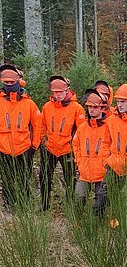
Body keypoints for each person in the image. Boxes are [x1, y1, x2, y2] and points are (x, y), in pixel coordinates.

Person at [40, 76, 85, 211]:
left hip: (68, 150)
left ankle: (70, 205)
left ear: (67, 91)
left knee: (69, 179)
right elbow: (41, 126)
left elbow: (82, 130)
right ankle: (44, 204)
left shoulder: (77, 108)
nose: (58, 95)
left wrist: (74, 147)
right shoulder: (47, 107)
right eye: (55, 92)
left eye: (60, 92)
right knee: (44, 176)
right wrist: (43, 141)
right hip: (50, 148)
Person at [0, 64, 42, 210]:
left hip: (24, 148)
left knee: (24, 178)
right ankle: (8, 204)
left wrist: (34, 146)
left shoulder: (29, 103)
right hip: (3, 148)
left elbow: (38, 126)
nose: (10, 85)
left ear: (19, 81)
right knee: (7, 179)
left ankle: (24, 204)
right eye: (7, 83)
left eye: (12, 82)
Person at [72, 89, 110, 216]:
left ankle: (97, 225)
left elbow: (114, 147)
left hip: (102, 172)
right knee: (78, 198)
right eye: (89, 107)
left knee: (100, 202)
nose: (91, 110)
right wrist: (79, 161)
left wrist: (107, 164)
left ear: (102, 108)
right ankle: (78, 224)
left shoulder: (108, 127)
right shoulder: (83, 127)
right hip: (84, 172)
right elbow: (75, 144)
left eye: (94, 107)